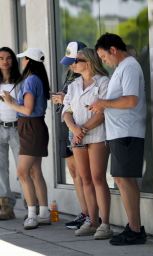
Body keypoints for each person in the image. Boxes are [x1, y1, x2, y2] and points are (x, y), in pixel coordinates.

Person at [89, 32, 147, 245]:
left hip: (127, 132)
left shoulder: (129, 66)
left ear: (113, 50)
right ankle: (134, 228)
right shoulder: (123, 68)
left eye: (104, 57)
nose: (105, 62)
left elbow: (131, 100)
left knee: (125, 180)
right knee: (122, 179)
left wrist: (104, 103)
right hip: (120, 133)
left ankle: (135, 229)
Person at [62, 47, 113, 239]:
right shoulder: (74, 84)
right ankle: (92, 221)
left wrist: (81, 130)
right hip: (77, 136)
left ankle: (105, 224)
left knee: (98, 178)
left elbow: (103, 111)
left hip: (97, 135)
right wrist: (74, 129)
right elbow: (66, 111)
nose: (72, 64)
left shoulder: (104, 82)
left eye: (76, 60)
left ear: (89, 61)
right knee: (85, 179)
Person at [2, 48, 50, 230]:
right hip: (35, 127)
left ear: (29, 61)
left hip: (30, 127)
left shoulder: (30, 80)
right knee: (35, 171)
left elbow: (27, 110)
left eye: (24, 59)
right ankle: (43, 213)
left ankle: (32, 215)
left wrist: (10, 103)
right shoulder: (37, 79)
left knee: (22, 172)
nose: (21, 62)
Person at [52, 41, 89, 229]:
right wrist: (61, 98)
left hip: (78, 126)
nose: (70, 65)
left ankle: (91, 214)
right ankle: (84, 212)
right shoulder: (68, 73)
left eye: (73, 61)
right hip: (64, 124)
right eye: (69, 62)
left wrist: (63, 98)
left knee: (84, 174)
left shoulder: (88, 77)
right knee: (74, 172)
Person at [0, 47, 21, 220]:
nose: (5, 61)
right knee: (1, 169)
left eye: (8, 58)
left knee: (23, 168)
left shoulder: (20, 81)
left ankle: (32, 206)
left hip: (17, 128)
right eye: (1, 58)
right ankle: (6, 207)